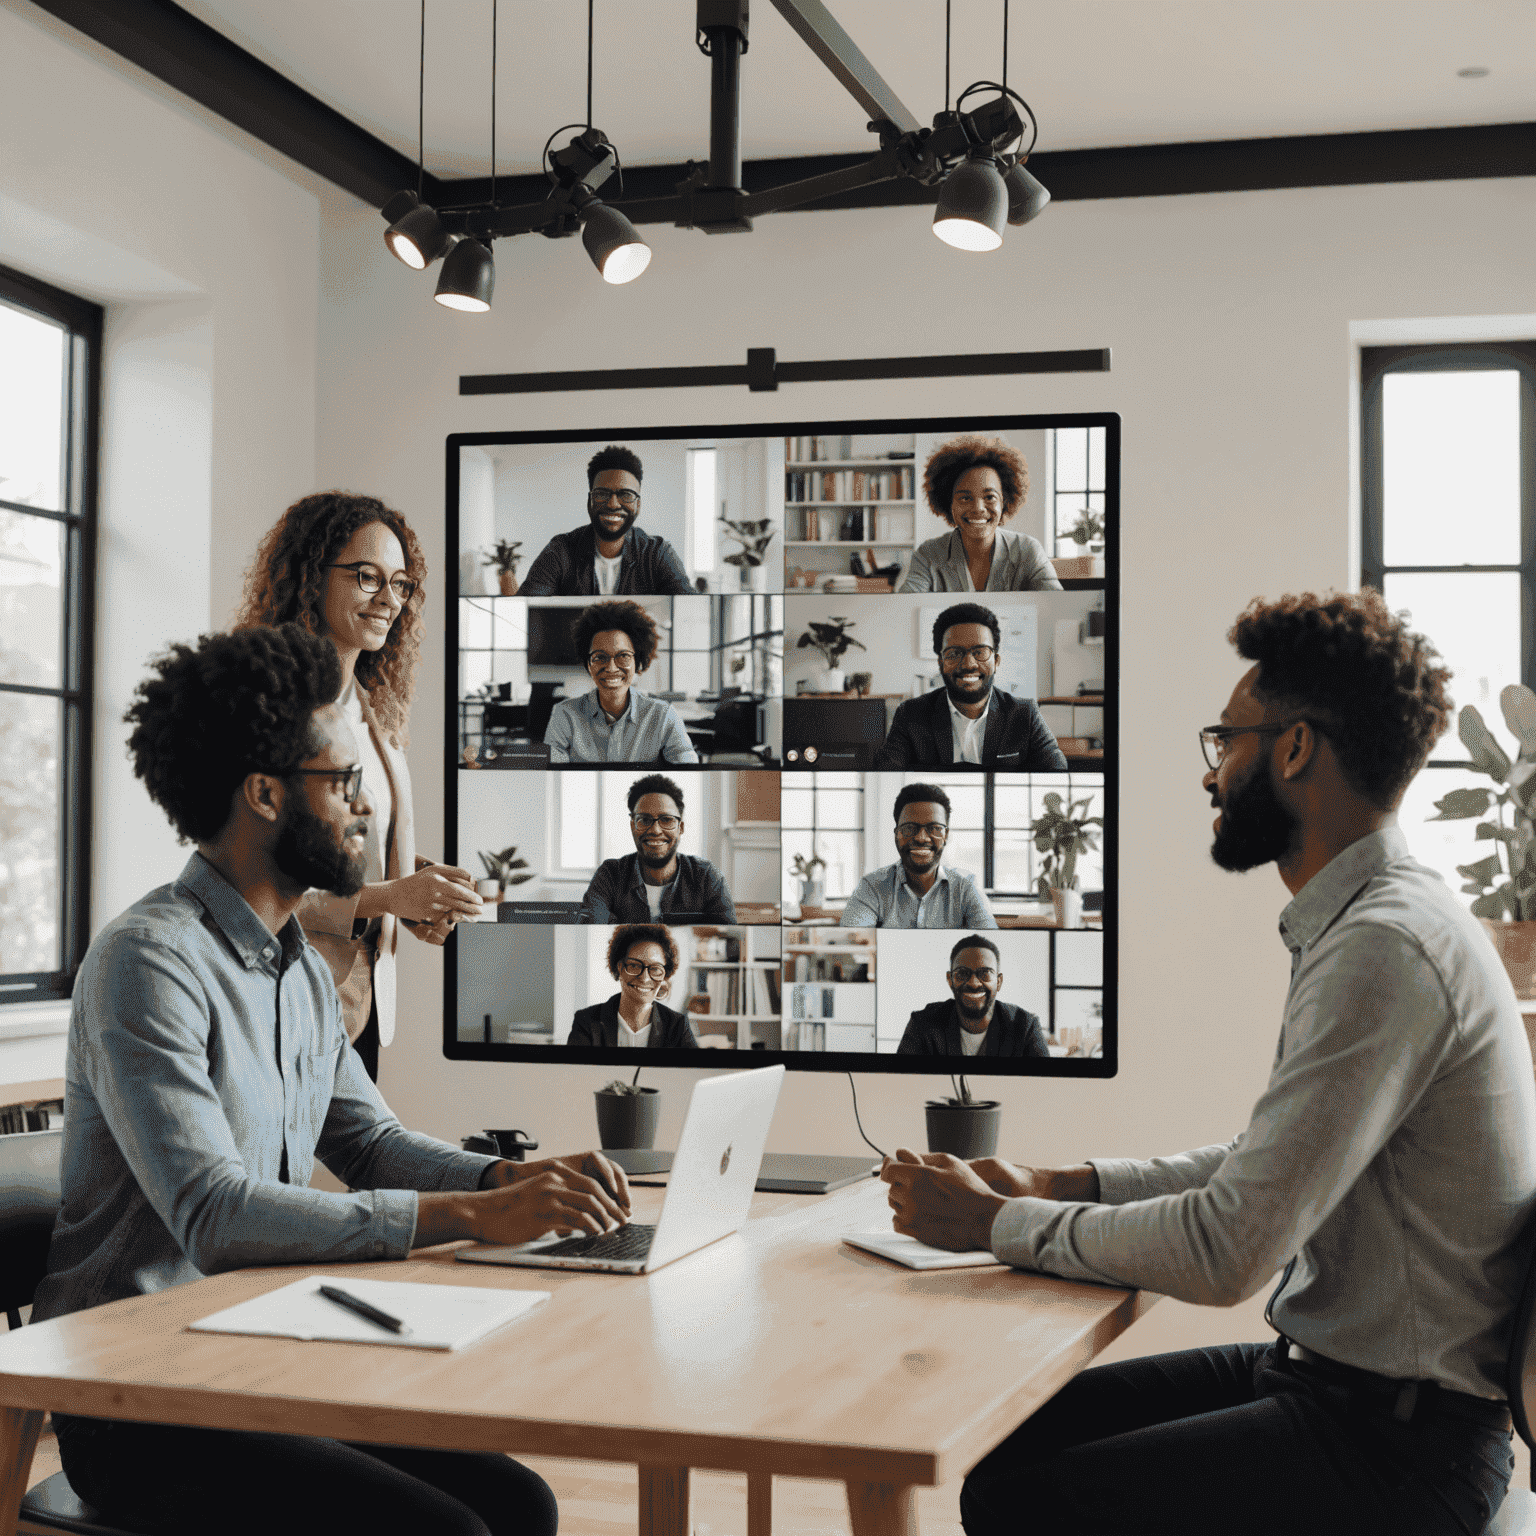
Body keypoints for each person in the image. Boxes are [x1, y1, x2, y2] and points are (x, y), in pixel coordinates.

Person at [882, 589, 1536, 1536]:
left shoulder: (1386, 948)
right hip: (1334, 1386)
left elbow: (1228, 1250)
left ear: (1296, 748)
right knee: (1003, 1445)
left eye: (1224, 742)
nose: (1210, 775)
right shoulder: (1380, 920)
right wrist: (1064, 1182)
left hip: (1400, 1455)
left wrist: (998, 1222)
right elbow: (1259, 1166)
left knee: (1028, 1502)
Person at [34, 623, 633, 1536]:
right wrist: (470, 1218)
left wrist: (506, 1181)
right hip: (138, 1397)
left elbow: (366, 1140)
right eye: (343, 782)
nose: (366, 810)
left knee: (520, 1503)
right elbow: (215, 1212)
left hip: (254, 1352)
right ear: (266, 794)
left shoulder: (298, 966)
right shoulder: (146, 961)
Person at [236, 491, 481, 1080]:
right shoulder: (267, 709)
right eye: (368, 577)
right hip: (283, 998)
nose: (388, 600)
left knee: (365, 1163)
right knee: (273, 1175)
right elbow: (252, 882)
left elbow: (352, 847)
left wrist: (418, 889)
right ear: (306, 576)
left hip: (361, 1000)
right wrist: (391, 896)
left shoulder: (372, 712)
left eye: (400, 584)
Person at [873, 603, 1067, 771]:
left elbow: (1056, 771)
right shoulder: (911, 714)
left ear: (996, 661)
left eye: (980, 652)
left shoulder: (1025, 714)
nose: (968, 664)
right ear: (941, 663)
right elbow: (887, 772)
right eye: (954, 653)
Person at [519, 444, 692, 596]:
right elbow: (524, 610)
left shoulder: (658, 554)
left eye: (626, 495)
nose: (613, 503)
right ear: (589, 501)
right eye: (602, 494)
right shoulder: (560, 551)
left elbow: (689, 612)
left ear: (638, 504)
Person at [900, 435, 1063, 593]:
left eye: (990, 497)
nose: (978, 508)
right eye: (965, 498)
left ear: (1004, 501)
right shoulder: (928, 554)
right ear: (950, 504)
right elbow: (904, 608)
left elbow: (1054, 606)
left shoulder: (1027, 550)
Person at [545, 599, 700, 764]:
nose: (611, 668)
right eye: (599, 657)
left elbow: (688, 767)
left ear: (637, 661)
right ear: (588, 664)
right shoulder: (565, 715)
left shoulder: (663, 716)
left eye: (623, 656)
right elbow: (552, 770)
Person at [582, 774, 736, 923]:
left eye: (667, 820)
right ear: (632, 826)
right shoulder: (610, 875)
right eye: (644, 820)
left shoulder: (707, 877)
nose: (655, 830)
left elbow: (727, 933)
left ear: (680, 827)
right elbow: (592, 925)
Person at [840, 783, 996, 928]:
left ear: (946, 835)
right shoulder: (872, 887)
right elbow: (853, 946)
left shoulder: (966, 887)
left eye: (934, 828)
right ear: (896, 834)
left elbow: (989, 947)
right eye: (909, 828)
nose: (921, 838)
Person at [895, 935, 1047, 1057]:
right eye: (962, 973)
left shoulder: (1025, 1027)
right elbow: (901, 1081)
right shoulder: (923, 1023)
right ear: (950, 980)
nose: (974, 983)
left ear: (999, 982)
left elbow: (1044, 1087)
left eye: (985, 973)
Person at [567, 924, 701, 1049]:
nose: (645, 978)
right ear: (620, 967)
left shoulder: (677, 1025)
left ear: (664, 975)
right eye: (634, 965)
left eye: (655, 969)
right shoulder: (586, 1021)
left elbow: (693, 1073)